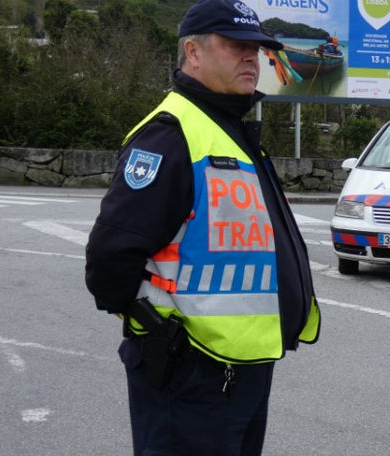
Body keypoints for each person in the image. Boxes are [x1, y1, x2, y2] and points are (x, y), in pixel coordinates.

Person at [84, 0, 321, 454]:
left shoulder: (227, 129)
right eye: (237, 47)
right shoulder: (171, 135)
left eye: (257, 49)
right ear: (193, 53)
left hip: (243, 366)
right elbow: (110, 258)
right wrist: (157, 331)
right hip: (191, 371)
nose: (252, 58)